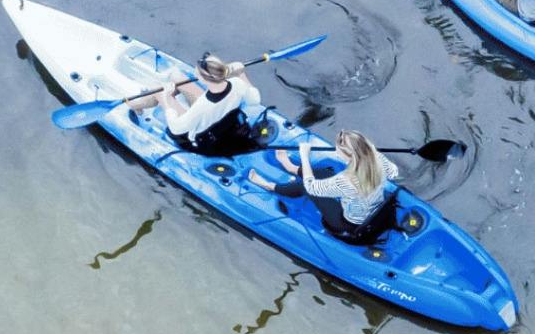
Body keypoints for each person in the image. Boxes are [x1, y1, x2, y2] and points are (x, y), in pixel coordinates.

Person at [265, 129, 403, 245]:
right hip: (373, 211)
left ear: (349, 156)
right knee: (325, 173)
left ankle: (271, 186)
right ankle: (291, 168)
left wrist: (304, 156)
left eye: (339, 151)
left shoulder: (346, 180)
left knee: (304, 187)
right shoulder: (378, 160)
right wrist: (372, 154)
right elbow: (394, 172)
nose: (337, 153)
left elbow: (312, 187)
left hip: (348, 223)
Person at [150, 53, 266, 156]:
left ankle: (137, 108)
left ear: (203, 80)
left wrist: (167, 98)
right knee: (176, 76)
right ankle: (169, 82)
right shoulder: (237, 83)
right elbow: (255, 100)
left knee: (158, 92)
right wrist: (241, 73)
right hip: (226, 127)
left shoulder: (203, 105)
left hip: (205, 142)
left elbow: (176, 128)